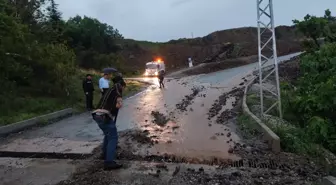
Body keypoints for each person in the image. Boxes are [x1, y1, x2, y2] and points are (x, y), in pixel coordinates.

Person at [92, 79, 126, 170]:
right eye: (124, 88)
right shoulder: (118, 93)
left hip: (96, 115)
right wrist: (119, 103)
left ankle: (104, 154)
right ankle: (109, 162)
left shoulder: (109, 91)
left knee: (108, 135)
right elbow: (118, 106)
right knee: (113, 138)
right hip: (104, 116)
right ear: (122, 86)